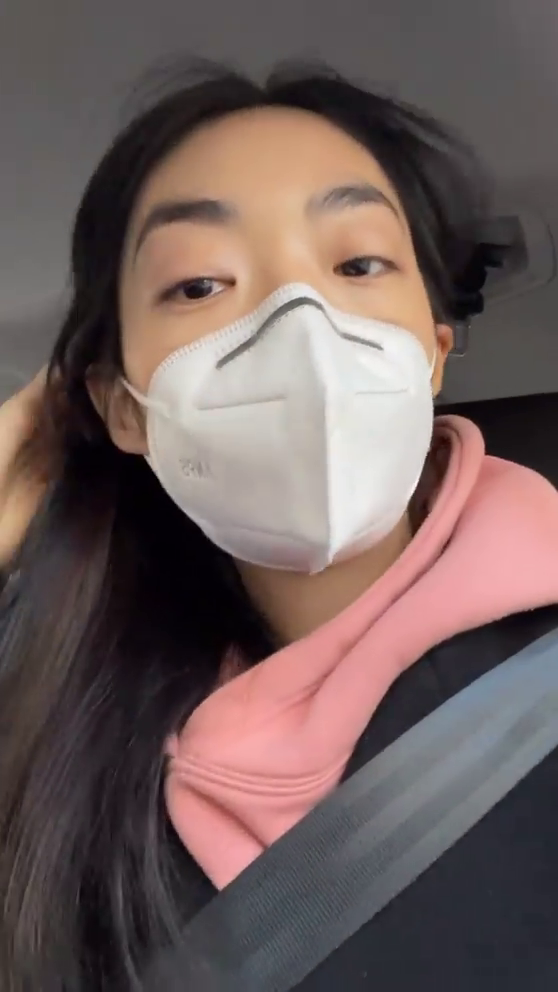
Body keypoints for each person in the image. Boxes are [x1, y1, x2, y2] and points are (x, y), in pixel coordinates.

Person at [1, 61, 557, 992]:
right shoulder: (66, 736)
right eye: (199, 284)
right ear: (125, 407)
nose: (298, 321)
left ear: (430, 357)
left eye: (358, 265)